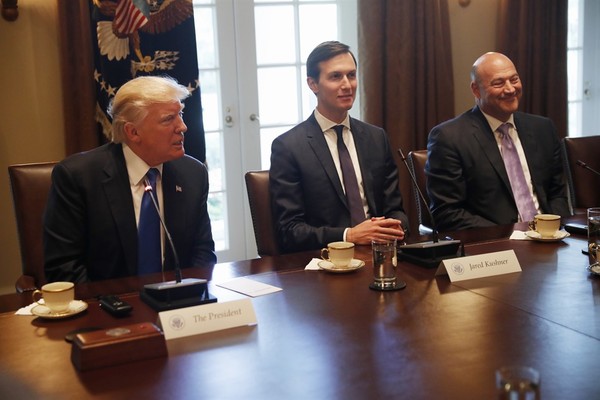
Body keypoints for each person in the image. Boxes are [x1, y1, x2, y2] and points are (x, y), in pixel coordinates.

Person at [44, 76, 216, 283]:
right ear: (133, 132)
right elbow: (64, 268)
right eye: (168, 119)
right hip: (108, 301)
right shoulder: (78, 177)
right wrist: (114, 301)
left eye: (180, 114)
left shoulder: (193, 174)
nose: (182, 127)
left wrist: (189, 292)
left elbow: (203, 253)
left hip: (178, 299)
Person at [269, 41, 409, 253]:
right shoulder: (288, 147)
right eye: (335, 76)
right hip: (325, 261)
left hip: (380, 254)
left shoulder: (375, 138)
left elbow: (395, 209)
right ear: (313, 84)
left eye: (351, 75)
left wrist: (395, 226)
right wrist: (348, 235)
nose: (347, 85)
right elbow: (289, 231)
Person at [425, 52, 570, 231]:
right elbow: (447, 213)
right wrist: (510, 234)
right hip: (494, 242)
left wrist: (552, 229)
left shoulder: (543, 129)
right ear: (476, 90)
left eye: (514, 80)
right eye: (498, 83)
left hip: (549, 237)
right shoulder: (449, 138)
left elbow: (557, 195)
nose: (510, 89)